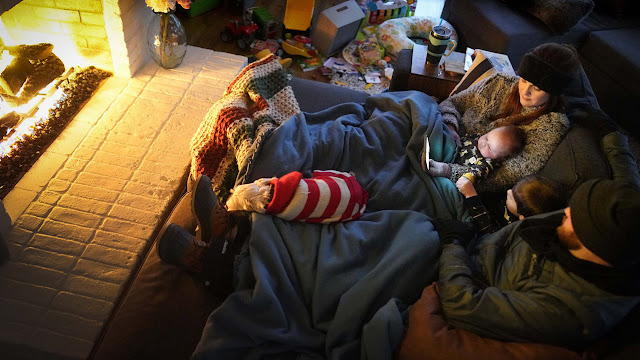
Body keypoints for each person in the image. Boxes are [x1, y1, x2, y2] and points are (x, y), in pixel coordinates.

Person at [433, 178, 640, 350]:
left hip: (459, 276)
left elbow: (461, 305)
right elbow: (516, 231)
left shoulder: (568, 312)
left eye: (574, 217)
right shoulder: (580, 224)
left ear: (594, 244)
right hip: (472, 242)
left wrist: (454, 244)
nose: (566, 212)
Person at [438, 42, 581, 192]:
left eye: (537, 88)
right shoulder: (500, 82)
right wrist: (450, 128)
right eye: (524, 80)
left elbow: (503, 178)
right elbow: (452, 102)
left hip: (462, 177)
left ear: (554, 93)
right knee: (415, 101)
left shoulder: (550, 127)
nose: (525, 92)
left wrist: (448, 170)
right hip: (443, 135)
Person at [457, 174, 567, 233]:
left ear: (522, 217)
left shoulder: (510, 226)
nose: (508, 191)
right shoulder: (512, 196)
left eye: (511, 198)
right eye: (512, 188)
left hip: (470, 220)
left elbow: (488, 231)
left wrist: (471, 196)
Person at [424, 125, 525, 185]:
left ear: (500, 158)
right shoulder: (477, 137)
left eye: (490, 148)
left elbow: (470, 175)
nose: (483, 143)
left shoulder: (485, 165)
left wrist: (446, 170)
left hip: (448, 166)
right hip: (446, 147)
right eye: (487, 138)